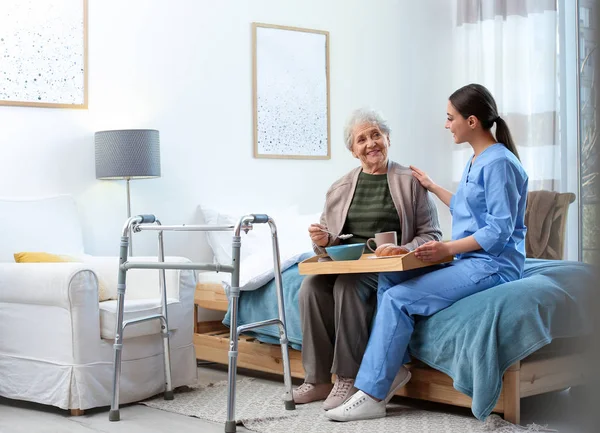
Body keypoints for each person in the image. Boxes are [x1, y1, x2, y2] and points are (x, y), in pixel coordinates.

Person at [325, 84, 529, 421]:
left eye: (451, 118)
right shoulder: (479, 158)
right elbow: (468, 208)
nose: (447, 125)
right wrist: (433, 186)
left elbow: (498, 230)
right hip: (472, 260)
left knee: (397, 298)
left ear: (473, 121)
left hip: (494, 265)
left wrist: (445, 248)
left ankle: (373, 393)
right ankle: (397, 368)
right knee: (389, 276)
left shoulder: (498, 164)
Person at [293, 108, 442, 410]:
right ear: (352, 150)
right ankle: (318, 379)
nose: (371, 143)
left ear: (388, 138)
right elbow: (331, 243)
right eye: (362, 139)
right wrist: (322, 240)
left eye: (376, 135)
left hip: (392, 266)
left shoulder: (409, 181)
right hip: (351, 264)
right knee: (310, 288)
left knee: (347, 287)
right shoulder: (339, 188)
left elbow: (432, 234)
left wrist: (404, 249)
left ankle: (348, 376)